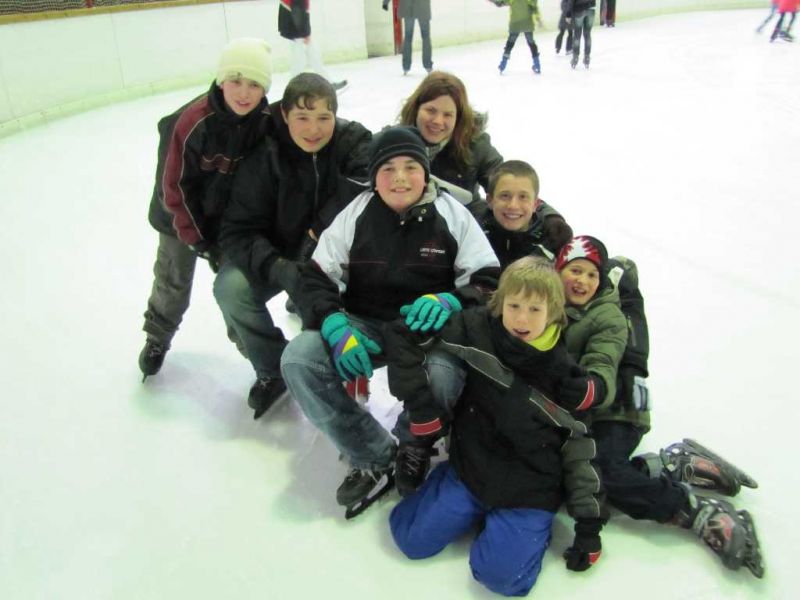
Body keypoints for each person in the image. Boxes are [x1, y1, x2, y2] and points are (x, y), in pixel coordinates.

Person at [280, 126, 500, 519]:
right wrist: (334, 324)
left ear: (426, 173)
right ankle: (374, 454)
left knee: (443, 378)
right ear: (374, 176)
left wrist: (452, 299)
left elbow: (488, 281)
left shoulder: (452, 214)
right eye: (388, 168)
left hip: (427, 333)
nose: (400, 177)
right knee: (299, 360)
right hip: (363, 325)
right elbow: (315, 276)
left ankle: (412, 443)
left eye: (411, 167)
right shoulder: (356, 213)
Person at [386, 257, 607, 596]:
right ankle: (454, 495)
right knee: (409, 539)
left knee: (503, 580)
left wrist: (589, 528)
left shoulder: (567, 379)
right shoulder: (478, 330)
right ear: (500, 303)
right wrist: (421, 406)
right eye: (514, 305)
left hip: (528, 491)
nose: (521, 319)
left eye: (535, 309)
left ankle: (521, 534)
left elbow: (581, 452)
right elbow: (401, 331)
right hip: (471, 469)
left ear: (554, 313)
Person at [555, 235, 764, 578]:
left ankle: (694, 511)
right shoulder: (547, 304)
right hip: (583, 413)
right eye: (574, 271)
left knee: (599, 474)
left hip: (615, 408)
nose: (582, 281)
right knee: (566, 480)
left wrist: (588, 387)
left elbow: (601, 364)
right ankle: (669, 465)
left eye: (591, 274)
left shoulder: (607, 315)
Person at [216, 73, 372, 419]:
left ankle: (333, 371)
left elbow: (364, 186)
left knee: (332, 307)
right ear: (284, 115)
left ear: (336, 115)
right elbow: (237, 230)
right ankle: (272, 368)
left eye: (323, 117)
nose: (313, 129)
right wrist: (279, 268)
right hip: (276, 253)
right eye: (302, 117)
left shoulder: (352, 142)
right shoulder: (263, 153)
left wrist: (316, 235)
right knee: (230, 288)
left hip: (331, 254)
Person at [139, 38, 272, 382]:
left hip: (226, 219)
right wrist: (197, 240)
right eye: (236, 80)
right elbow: (174, 191)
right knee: (173, 281)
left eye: (255, 84)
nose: (244, 92)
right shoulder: (190, 123)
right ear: (221, 80)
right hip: (177, 218)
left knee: (235, 289)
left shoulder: (266, 121)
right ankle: (157, 337)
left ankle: (261, 358)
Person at [398, 71, 503, 215]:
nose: (438, 121)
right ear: (416, 109)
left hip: (465, 224)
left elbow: (506, 183)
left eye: (447, 114)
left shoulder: (475, 145)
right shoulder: (393, 143)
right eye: (431, 110)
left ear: (458, 118)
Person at [480, 159, 573, 267]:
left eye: (523, 197)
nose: (513, 205)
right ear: (490, 200)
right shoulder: (475, 235)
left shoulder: (554, 242)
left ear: (535, 204)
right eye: (505, 196)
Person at [278, 0, 347, 90]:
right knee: (299, 62)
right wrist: (305, 33)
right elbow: (297, 10)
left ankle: (328, 84)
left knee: (313, 57)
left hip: (295, 29)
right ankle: (292, 89)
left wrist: (305, 33)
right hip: (296, 31)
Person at [492, 0, 544, 75]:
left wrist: (494, 1)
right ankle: (537, 64)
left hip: (515, 24)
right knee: (531, 43)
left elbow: (501, 3)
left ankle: (503, 63)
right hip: (527, 23)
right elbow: (534, 8)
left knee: (510, 44)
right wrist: (538, 19)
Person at [385, 0, 433, 75]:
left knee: (408, 36)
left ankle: (406, 66)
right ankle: (428, 65)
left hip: (408, 7)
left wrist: (385, 2)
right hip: (422, 6)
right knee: (425, 36)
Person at [567, 0, 596, 69]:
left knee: (577, 35)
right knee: (587, 35)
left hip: (579, 9)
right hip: (591, 9)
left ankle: (575, 58)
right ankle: (587, 57)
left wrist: (568, 14)